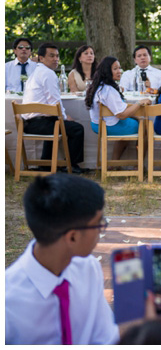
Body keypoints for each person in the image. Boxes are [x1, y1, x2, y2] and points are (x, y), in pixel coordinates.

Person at [5, 173, 118, 344]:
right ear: (72, 237)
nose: (101, 230)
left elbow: (105, 337)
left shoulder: (88, 269)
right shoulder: (8, 302)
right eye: (99, 224)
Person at [21, 43, 89, 174]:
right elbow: (55, 102)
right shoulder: (48, 74)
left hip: (29, 123)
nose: (56, 59)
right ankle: (71, 165)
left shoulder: (36, 72)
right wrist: (65, 117)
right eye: (51, 56)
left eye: (57, 56)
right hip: (38, 123)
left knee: (54, 122)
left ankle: (46, 165)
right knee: (76, 128)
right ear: (41, 58)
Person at [84, 56, 151, 161]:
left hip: (97, 124)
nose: (119, 71)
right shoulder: (108, 90)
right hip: (110, 126)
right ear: (107, 71)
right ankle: (139, 165)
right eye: (115, 69)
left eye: (119, 68)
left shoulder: (99, 86)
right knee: (146, 127)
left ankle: (114, 163)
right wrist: (139, 102)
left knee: (135, 121)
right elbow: (122, 115)